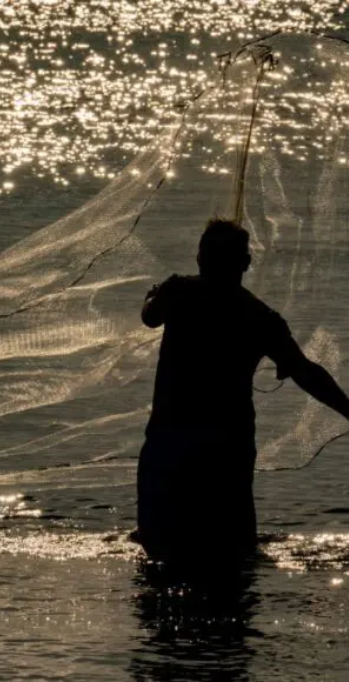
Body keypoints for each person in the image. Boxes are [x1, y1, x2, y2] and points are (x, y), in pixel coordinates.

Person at [134, 218, 349, 564]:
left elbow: (149, 317)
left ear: (200, 259)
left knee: (159, 550)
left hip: (171, 444)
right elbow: (306, 372)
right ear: (245, 264)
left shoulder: (179, 293)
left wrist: (151, 296)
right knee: (233, 554)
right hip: (225, 449)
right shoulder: (261, 317)